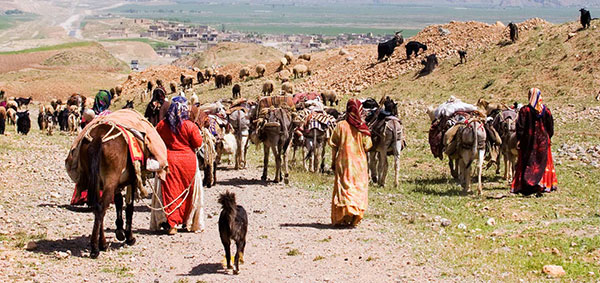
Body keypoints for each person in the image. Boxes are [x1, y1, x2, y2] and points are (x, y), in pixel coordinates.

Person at [154, 96, 204, 234]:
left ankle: (172, 224)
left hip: (169, 162)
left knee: (170, 192)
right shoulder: (189, 125)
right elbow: (198, 143)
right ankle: (188, 222)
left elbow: (156, 141)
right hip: (188, 163)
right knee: (188, 193)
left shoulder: (162, 125)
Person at [329, 98, 372, 226]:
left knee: (344, 187)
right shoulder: (363, 129)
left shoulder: (340, 126)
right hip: (359, 164)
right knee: (358, 187)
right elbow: (368, 145)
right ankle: (355, 216)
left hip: (344, 162)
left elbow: (334, 144)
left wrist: (333, 161)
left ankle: (342, 216)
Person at [511, 88, 557, 196]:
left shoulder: (525, 110)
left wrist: (519, 139)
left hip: (528, 141)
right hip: (543, 141)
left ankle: (528, 184)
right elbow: (550, 127)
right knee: (543, 161)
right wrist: (547, 137)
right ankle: (544, 184)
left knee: (528, 162)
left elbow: (520, 127)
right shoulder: (546, 110)